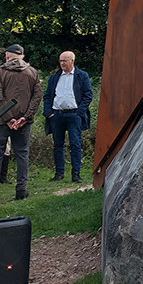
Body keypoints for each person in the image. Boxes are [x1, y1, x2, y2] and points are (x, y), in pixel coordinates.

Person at [43, 51, 93, 184]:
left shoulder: (81, 76)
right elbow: (47, 95)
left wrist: (80, 112)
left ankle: (76, 174)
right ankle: (59, 173)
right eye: (60, 61)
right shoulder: (55, 77)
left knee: (75, 144)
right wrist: (48, 112)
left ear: (72, 61)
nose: (62, 63)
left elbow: (88, 95)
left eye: (64, 61)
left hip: (74, 115)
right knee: (57, 145)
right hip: (57, 115)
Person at [0, 44, 42, 200]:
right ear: (22, 57)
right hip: (24, 121)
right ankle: (21, 191)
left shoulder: (1, 71)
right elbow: (37, 97)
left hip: (3, 120)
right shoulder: (32, 72)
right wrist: (25, 117)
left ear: (7, 56)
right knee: (22, 154)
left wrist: (9, 118)